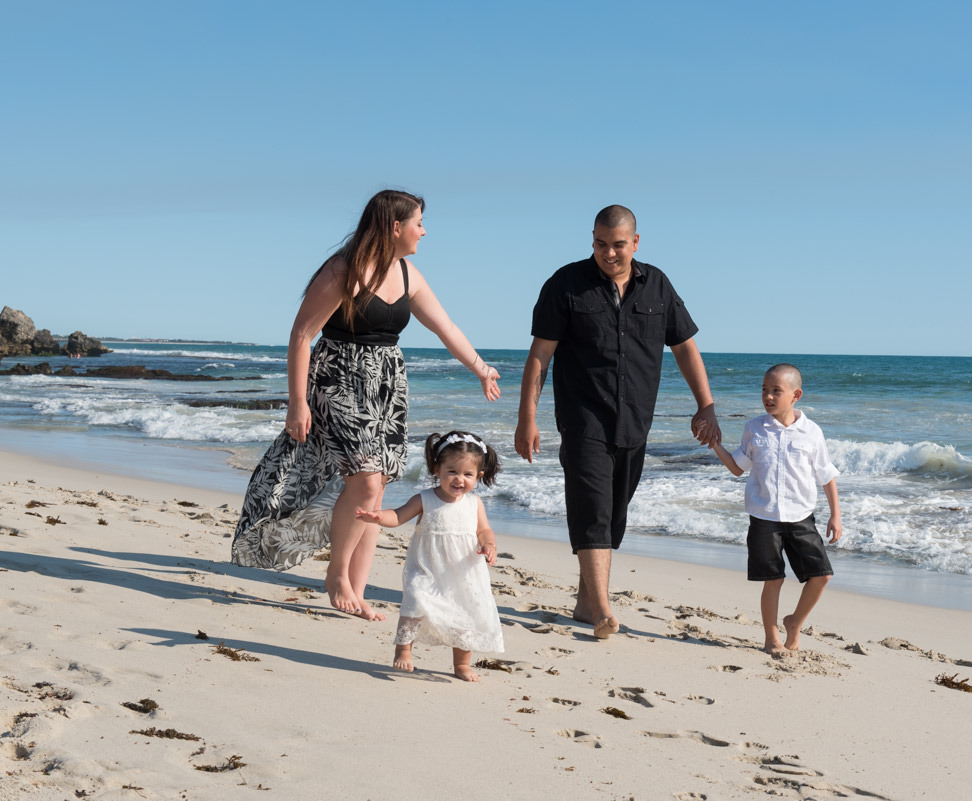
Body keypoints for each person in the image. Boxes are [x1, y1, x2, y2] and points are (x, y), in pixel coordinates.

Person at [232, 190, 500, 622]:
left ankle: (355, 589)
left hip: (387, 387)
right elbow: (302, 334)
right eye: (418, 222)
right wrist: (297, 402)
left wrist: (481, 368)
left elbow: (445, 326)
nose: (423, 231)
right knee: (366, 476)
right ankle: (336, 576)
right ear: (395, 227)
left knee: (376, 486)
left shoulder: (408, 273)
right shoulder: (344, 269)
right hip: (338, 378)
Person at [514, 204, 720, 640]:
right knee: (592, 510)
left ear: (636, 243)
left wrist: (706, 404)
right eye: (600, 244)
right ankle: (604, 609)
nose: (609, 254)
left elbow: (684, 346)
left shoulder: (657, 285)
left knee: (614, 514)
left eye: (618, 245)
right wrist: (526, 419)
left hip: (634, 422)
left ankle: (586, 601)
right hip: (582, 416)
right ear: (592, 240)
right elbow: (539, 356)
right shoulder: (566, 284)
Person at [709, 363, 842, 655]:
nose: (768, 396)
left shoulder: (811, 432)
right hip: (764, 518)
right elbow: (737, 467)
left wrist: (835, 515)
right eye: (764, 390)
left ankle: (794, 623)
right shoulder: (755, 428)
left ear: (796, 395)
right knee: (773, 580)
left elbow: (826, 474)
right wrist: (715, 444)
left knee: (821, 575)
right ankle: (771, 637)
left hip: (801, 517)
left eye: (776, 391)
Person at [356, 431, 503, 682]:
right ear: (437, 469)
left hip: (463, 571)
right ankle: (403, 650)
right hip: (427, 567)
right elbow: (399, 515)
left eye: (467, 474)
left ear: (478, 476)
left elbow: (484, 530)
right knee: (415, 600)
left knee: (464, 615)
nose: (459, 479)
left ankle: (461, 664)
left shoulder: (474, 503)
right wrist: (381, 517)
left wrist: (489, 545)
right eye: (452, 471)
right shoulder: (424, 499)